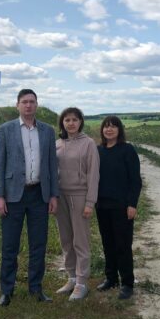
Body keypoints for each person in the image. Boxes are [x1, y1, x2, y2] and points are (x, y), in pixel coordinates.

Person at [0, 89, 59, 306]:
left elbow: (51, 164)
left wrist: (53, 195)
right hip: (13, 195)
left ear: (37, 104)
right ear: (17, 105)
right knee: (10, 245)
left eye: (32, 101)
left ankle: (36, 288)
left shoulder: (48, 131)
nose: (28, 105)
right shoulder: (5, 130)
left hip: (39, 194)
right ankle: (7, 290)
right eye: (24, 102)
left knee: (38, 244)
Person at [54, 107, 99, 301]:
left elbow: (93, 174)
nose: (71, 123)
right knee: (66, 239)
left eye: (74, 119)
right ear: (62, 123)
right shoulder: (57, 144)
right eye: (67, 120)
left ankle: (82, 282)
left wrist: (90, 202)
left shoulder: (88, 144)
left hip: (80, 196)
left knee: (80, 240)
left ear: (80, 122)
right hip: (60, 196)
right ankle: (71, 277)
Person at [96, 115, 142, 300]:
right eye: (106, 126)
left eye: (113, 126)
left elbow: (135, 180)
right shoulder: (98, 151)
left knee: (123, 245)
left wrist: (132, 204)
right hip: (102, 205)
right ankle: (111, 278)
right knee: (108, 244)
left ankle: (127, 283)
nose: (109, 129)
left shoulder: (127, 150)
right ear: (102, 130)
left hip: (122, 207)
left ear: (119, 130)